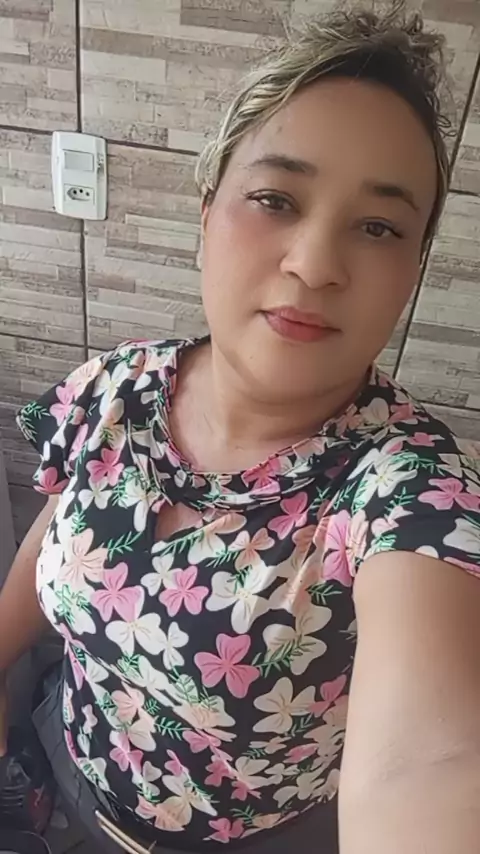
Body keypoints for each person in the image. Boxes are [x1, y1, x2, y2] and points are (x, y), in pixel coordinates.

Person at [1, 5, 480, 853]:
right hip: (65, 775)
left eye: (378, 227)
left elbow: (428, 765)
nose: (315, 264)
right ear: (205, 213)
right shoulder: (121, 387)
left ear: (412, 270)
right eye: (274, 199)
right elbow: (65, 527)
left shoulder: (410, 495)